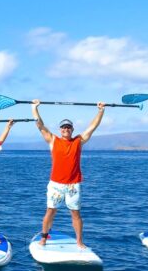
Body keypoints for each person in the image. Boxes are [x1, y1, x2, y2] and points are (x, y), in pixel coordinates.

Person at [32, 99, 106, 248]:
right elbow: (40, 125)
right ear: (60, 130)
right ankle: (44, 238)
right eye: (63, 127)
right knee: (50, 211)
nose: (66, 129)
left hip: (73, 185)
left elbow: (92, 127)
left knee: (75, 214)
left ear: (72, 130)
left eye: (68, 127)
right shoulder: (53, 140)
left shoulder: (78, 141)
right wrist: (34, 108)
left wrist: (100, 111)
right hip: (56, 184)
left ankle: (79, 241)